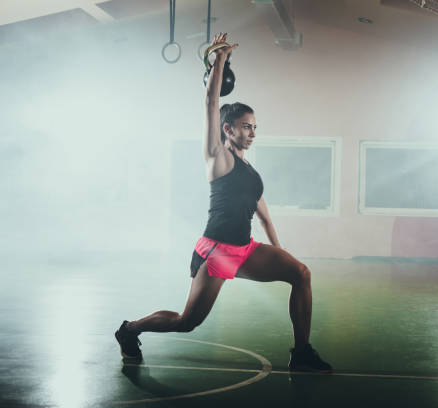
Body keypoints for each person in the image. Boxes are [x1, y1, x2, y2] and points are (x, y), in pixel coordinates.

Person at [115, 33, 331, 373]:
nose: (253, 132)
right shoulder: (218, 159)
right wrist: (220, 60)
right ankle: (129, 330)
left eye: (255, 127)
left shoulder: (250, 171)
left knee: (300, 273)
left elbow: (264, 216)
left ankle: (301, 352)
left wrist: (280, 252)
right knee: (188, 322)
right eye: (246, 126)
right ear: (228, 129)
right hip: (216, 252)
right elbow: (210, 104)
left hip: (243, 249)